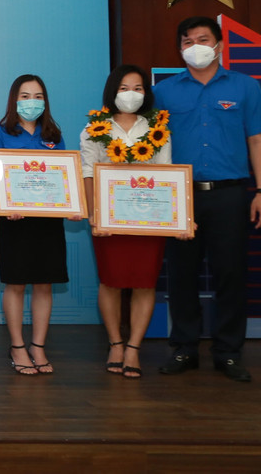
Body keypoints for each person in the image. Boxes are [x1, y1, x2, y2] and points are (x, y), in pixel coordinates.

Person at [154, 16, 261, 382]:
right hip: (180, 196)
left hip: (230, 194)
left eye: (203, 39)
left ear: (219, 45)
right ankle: (184, 348)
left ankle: (229, 352)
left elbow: (257, 140)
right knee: (181, 275)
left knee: (230, 274)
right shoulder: (164, 92)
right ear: (179, 49)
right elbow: (151, 144)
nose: (195, 47)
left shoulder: (245, 86)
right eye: (187, 41)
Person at [79, 64, 171, 380]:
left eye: (138, 88)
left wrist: (172, 218)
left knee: (145, 282)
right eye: (124, 88)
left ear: (146, 93)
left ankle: (133, 348)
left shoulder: (157, 128)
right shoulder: (94, 128)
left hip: (149, 220)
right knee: (111, 281)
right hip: (108, 219)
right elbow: (88, 173)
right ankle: (115, 344)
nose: (131, 94)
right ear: (112, 91)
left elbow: (166, 174)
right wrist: (94, 215)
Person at [0, 74, 67, 376]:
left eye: (37, 96)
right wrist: (8, 204)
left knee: (44, 284)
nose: (31, 102)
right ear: (14, 100)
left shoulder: (54, 135)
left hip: (48, 221)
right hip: (15, 221)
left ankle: (38, 346)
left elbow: (65, 177)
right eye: (25, 96)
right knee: (17, 283)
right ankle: (17, 346)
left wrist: (72, 204)